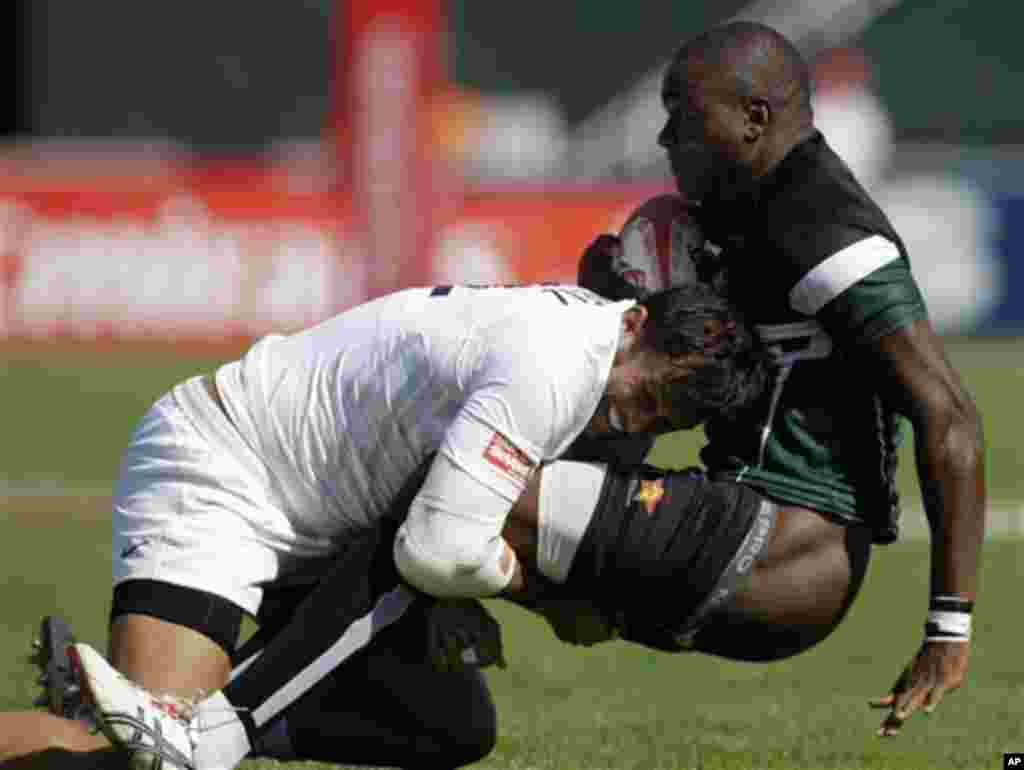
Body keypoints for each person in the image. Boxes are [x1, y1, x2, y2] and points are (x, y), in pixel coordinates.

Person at [0, 280, 762, 770]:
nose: (641, 420)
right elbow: (433, 549)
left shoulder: (595, 363)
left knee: (449, 726)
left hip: (334, 527)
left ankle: (152, 705)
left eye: (669, 420)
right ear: (635, 324)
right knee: (154, 759)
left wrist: (463, 589)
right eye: (653, 392)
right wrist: (529, 588)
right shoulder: (553, 364)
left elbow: (441, 508)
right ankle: (136, 717)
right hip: (226, 475)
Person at [577, 21, 986, 738]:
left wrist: (947, 632)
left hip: (787, 552)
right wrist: (620, 316)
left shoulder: (823, 225)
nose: (666, 137)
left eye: (683, 113)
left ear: (753, 119)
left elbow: (950, 417)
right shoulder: (735, 216)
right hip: (734, 525)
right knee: (488, 514)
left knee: (486, 497)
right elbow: (653, 410)